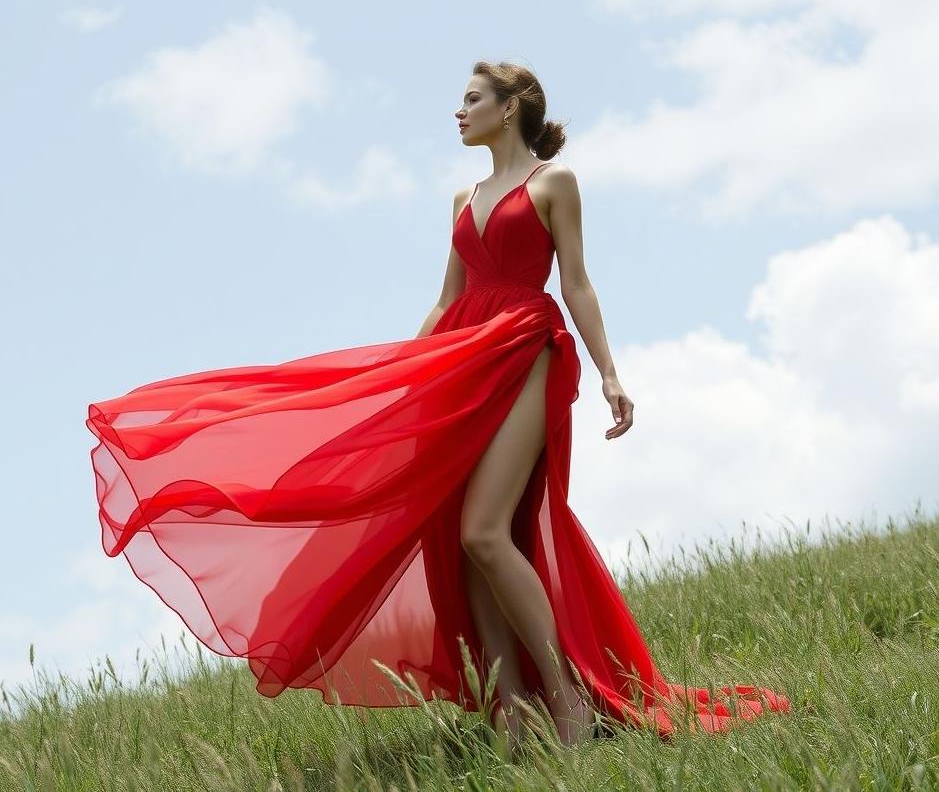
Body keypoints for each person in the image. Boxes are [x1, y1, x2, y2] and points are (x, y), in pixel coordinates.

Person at [86, 60, 791, 757]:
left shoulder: (554, 182)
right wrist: (397, 375)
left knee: (486, 529)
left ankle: (569, 699)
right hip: (460, 360)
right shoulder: (462, 198)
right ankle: (515, 717)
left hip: (524, 348)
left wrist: (609, 370)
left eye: (472, 99)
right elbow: (449, 299)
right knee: (461, 537)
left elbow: (576, 281)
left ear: (510, 107)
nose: (458, 111)